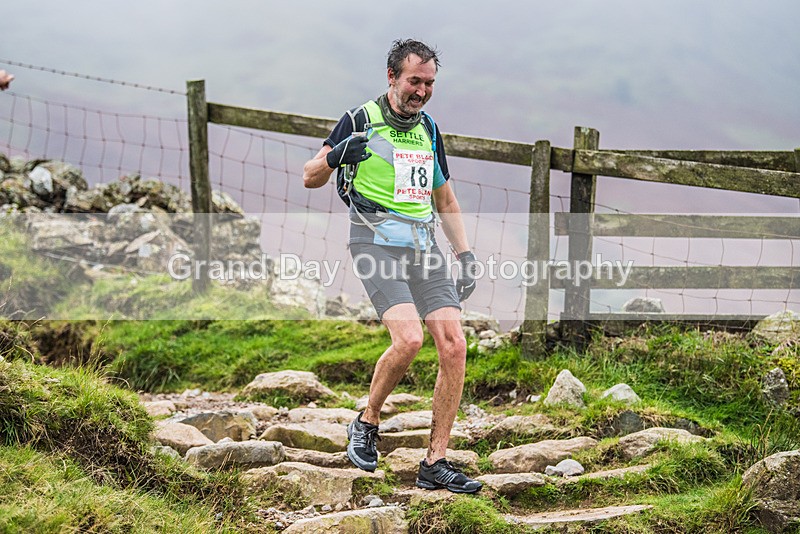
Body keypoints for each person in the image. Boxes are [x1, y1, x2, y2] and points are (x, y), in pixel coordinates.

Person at [302, 39, 482, 494]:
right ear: (391, 78)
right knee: (409, 339)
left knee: (454, 345)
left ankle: (435, 461)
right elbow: (310, 175)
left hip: (424, 247)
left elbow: (445, 197)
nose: (421, 91)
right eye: (413, 81)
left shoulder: (430, 130)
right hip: (375, 243)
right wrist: (336, 155)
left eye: (429, 83)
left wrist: (466, 255)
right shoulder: (360, 118)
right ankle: (368, 419)